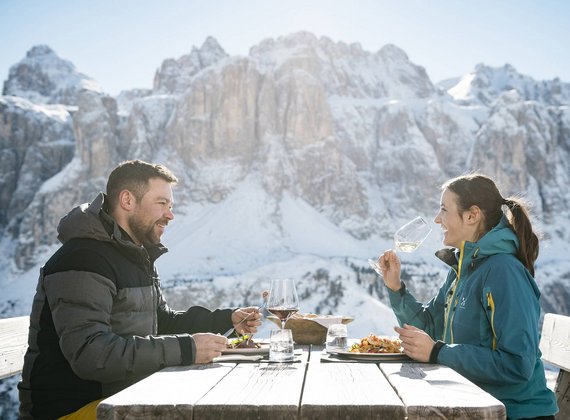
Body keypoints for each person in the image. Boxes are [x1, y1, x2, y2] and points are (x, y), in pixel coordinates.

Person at [18, 160, 262, 419]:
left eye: (171, 206)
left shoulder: (134, 255)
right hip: (72, 410)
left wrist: (226, 320)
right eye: (161, 204)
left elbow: (162, 322)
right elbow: (91, 354)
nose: (170, 215)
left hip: (122, 398)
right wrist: (187, 348)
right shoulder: (83, 258)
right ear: (127, 200)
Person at [377, 173, 558, 420]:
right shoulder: (464, 269)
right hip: (474, 406)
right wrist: (395, 287)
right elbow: (429, 328)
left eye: (443, 210)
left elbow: (518, 364)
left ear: (472, 216)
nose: (437, 219)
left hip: (513, 413)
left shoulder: (504, 272)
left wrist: (439, 352)